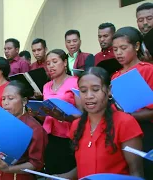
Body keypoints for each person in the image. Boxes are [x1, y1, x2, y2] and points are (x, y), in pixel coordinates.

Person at [56, 67, 144, 179]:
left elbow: (136, 173)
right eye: (83, 91)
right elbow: (85, 168)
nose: (89, 96)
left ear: (109, 90)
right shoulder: (77, 126)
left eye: (96, 89)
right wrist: (62, 177)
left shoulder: (125, 122)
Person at [0, 81, 47, 180]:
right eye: (3, 99)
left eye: (11, 98)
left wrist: (9, 169)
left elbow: (36, 163)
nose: (5, 103)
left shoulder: (34, 128)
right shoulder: (0, 123)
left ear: (24, 101)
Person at [111, 26, 153, 180]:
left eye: (123, 48)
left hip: (146, 131)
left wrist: (127, 115)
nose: (118, 53)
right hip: (122, 133)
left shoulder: (148, 70)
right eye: (115, 49)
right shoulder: (115, 76)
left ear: (136, 46)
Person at [41, 49, 80, 175]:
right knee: (52, 172)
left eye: (54, 61)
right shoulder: (46, 86)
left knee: (67, 171)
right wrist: (38, 113)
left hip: (69, 137)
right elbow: (47, 114)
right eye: (48, 63)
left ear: (64, 62)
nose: (51, 66)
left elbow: (82, 114)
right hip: (50, 137)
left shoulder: (75, 82)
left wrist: (63, 116)